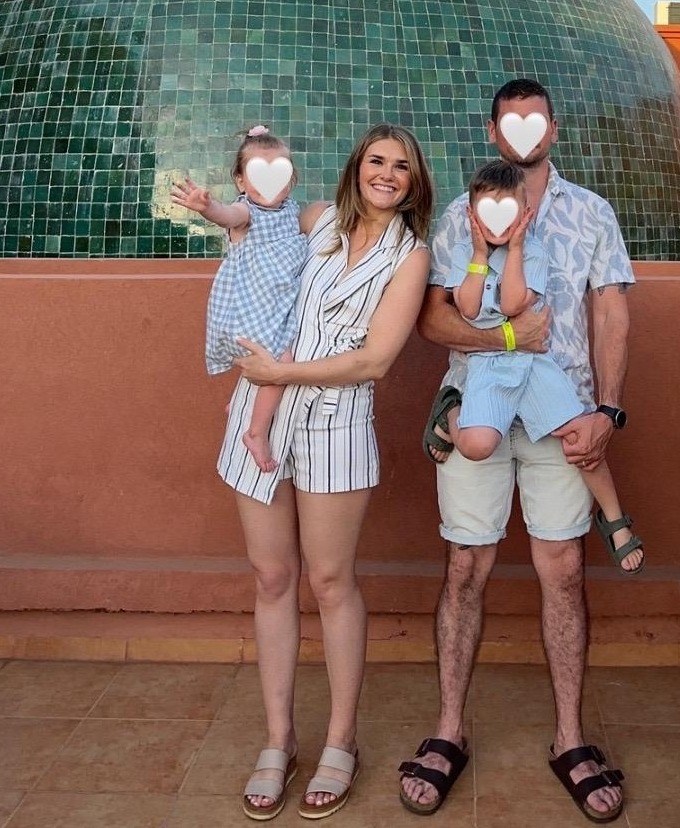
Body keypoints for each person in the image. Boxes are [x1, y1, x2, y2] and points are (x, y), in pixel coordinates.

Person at [399, 79, 635, 823]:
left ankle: (569, 737)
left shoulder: (592, 213)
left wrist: (607, 411)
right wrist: (503, 337)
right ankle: (448, 731)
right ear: (494, 133)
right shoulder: (458, 220)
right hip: (481, 408)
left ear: (552, 130)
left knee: (562, 568)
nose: (523, 133)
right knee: (466, 564)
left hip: (562, 419)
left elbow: (611, 311)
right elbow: (434, 323)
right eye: (510, 122)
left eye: (534, 121)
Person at [218, 123, 433, 821]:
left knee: (331, 580)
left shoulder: (412, 257)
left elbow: (374, 360)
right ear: (357, 166)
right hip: (259, 408)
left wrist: (285, 370)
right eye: (377, 160)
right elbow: (259, 222)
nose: (387, 173)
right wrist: (251, 165)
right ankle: (278, 741)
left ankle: (342, 740)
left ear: (413, 181)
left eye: (401, 166)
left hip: (337, 425)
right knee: (272, 577)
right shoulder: (317, 222)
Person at [422, 160, 645, 577]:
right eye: (488, 212)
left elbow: (511, 305)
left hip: (536, 367)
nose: (498, 223)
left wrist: (517, 249)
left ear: (524, 215)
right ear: (472, 215)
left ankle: (614, 519)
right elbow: (467, 308)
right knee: (474, 446)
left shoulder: (534, 252)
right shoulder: (462, 252)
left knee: (577, 437)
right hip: (486, 368)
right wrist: (477, 254)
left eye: (508, 212)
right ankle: (449, 408)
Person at [171, 125, 308, 473]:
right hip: (249, 307)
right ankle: (256, 431)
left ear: (290, 181)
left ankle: (239, 403)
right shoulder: (247, 213)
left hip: (275, 305)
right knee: (283, 359)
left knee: (280, 348)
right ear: (241, 182)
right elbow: (227, 216)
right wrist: (207, 207)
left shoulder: (291, 212)